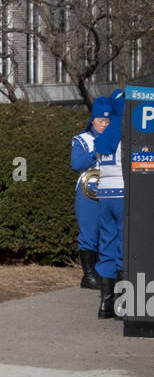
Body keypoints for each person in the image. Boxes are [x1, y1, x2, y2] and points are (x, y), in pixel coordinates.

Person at [88, 92, 125, 320]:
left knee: (107, 245)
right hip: (123, 192)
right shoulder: (126, 130)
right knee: (124, 244)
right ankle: (122, 303)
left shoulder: (103, 134)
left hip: (104, 193)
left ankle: (105, 303)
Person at [70, 114, 101, 290]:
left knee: (107, 233)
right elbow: (76, 164)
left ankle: (102, 271)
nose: (104, 124)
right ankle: (89, 275)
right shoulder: (82, 139)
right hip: (88, 190)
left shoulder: (116, 137)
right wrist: (94, 152)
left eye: (108, 120)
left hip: (110, 189)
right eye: (100, 120)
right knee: (89, 232)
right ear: (92, 121)